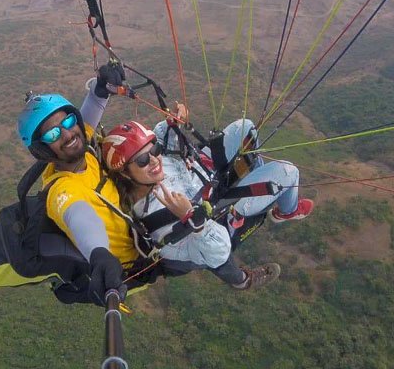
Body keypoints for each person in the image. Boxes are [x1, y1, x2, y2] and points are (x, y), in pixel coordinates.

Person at [102, 104, 313, 288]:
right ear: (124, 173)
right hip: (219, 210)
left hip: (205, 173)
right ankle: (286, 211)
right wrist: (194, 221)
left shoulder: (153, 166)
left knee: (245, 127)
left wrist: (173, 122)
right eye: (142, 160)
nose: (155, 160)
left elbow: (163, 140)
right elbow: (218, 255)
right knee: (287, 172)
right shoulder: (159, 220)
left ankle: (255, 175)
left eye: (154, 149)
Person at [16, 62, 139, 305]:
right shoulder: (60, 190)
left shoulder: (82, 151)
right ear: (43, 150)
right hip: (134, 261)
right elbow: (78, 215)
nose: (67, 135)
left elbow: (92, 107)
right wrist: (99, 253)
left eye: (69, 122)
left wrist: (101, 88)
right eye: (52, 135)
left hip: (138, 218)